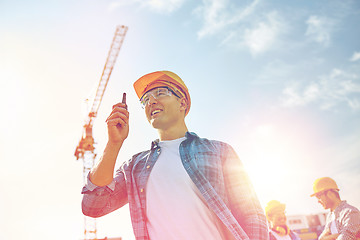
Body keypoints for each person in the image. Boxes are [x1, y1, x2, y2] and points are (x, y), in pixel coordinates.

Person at [81, 70, 269, 240]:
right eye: (145, 100)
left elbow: (252, 215)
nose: (151, 102)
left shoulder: (219, 151)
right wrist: (113, 145)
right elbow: (93, 206)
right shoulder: (134, 167)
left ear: (182, 103)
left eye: (160, 93)